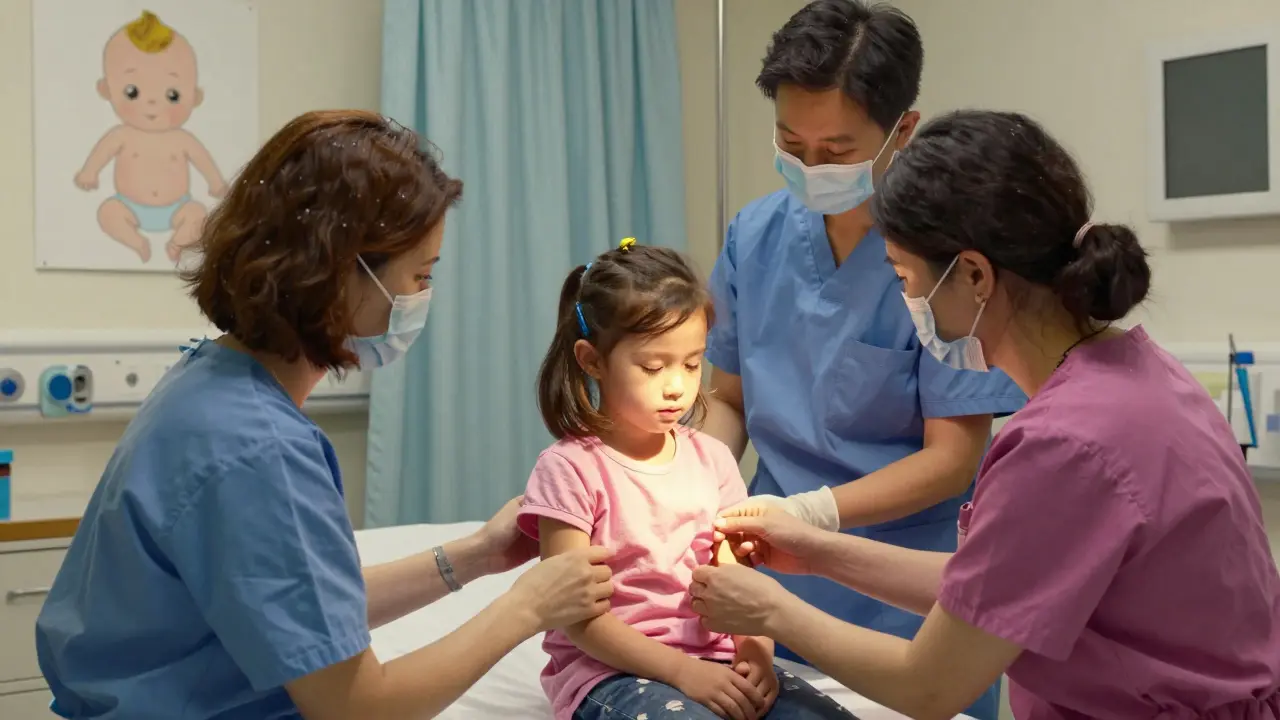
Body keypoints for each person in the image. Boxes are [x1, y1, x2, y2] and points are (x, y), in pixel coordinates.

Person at [689, 110, 1280, 720]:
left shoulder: (1066, 444)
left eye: (904, 277)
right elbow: (994, 585)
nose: (906, 300)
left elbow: (929, 687)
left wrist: (770, 609)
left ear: (973, 275)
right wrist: (813, 550)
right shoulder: (1143, 378)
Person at [35, 110, 615, 720]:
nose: (421, 298)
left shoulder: (207, 384)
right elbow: (357, 706)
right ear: (341, 269)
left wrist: (475, 557)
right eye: (419, 275)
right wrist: (525, 607)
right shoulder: (259, 450)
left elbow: (296, 607)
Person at [702, 3, 1023, 717]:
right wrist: (704, 481)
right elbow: (728, 398)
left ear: (902, 131)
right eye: (792, 142)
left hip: (902, 595)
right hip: (770, 583)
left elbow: (952, 457)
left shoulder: (944, 261)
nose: (811, 165)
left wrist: (812, 514)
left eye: (838, 150)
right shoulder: (755, 236)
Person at [517, 241, 853, 720]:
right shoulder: (569, 470)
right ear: (592, 360)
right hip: (610, 674)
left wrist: (756, 651)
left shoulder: (713, 459)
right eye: (653, 367)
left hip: (717, 661)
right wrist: (683, 672)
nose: (676, 385)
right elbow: (575, 615)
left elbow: (737, 578)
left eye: (692, 363)